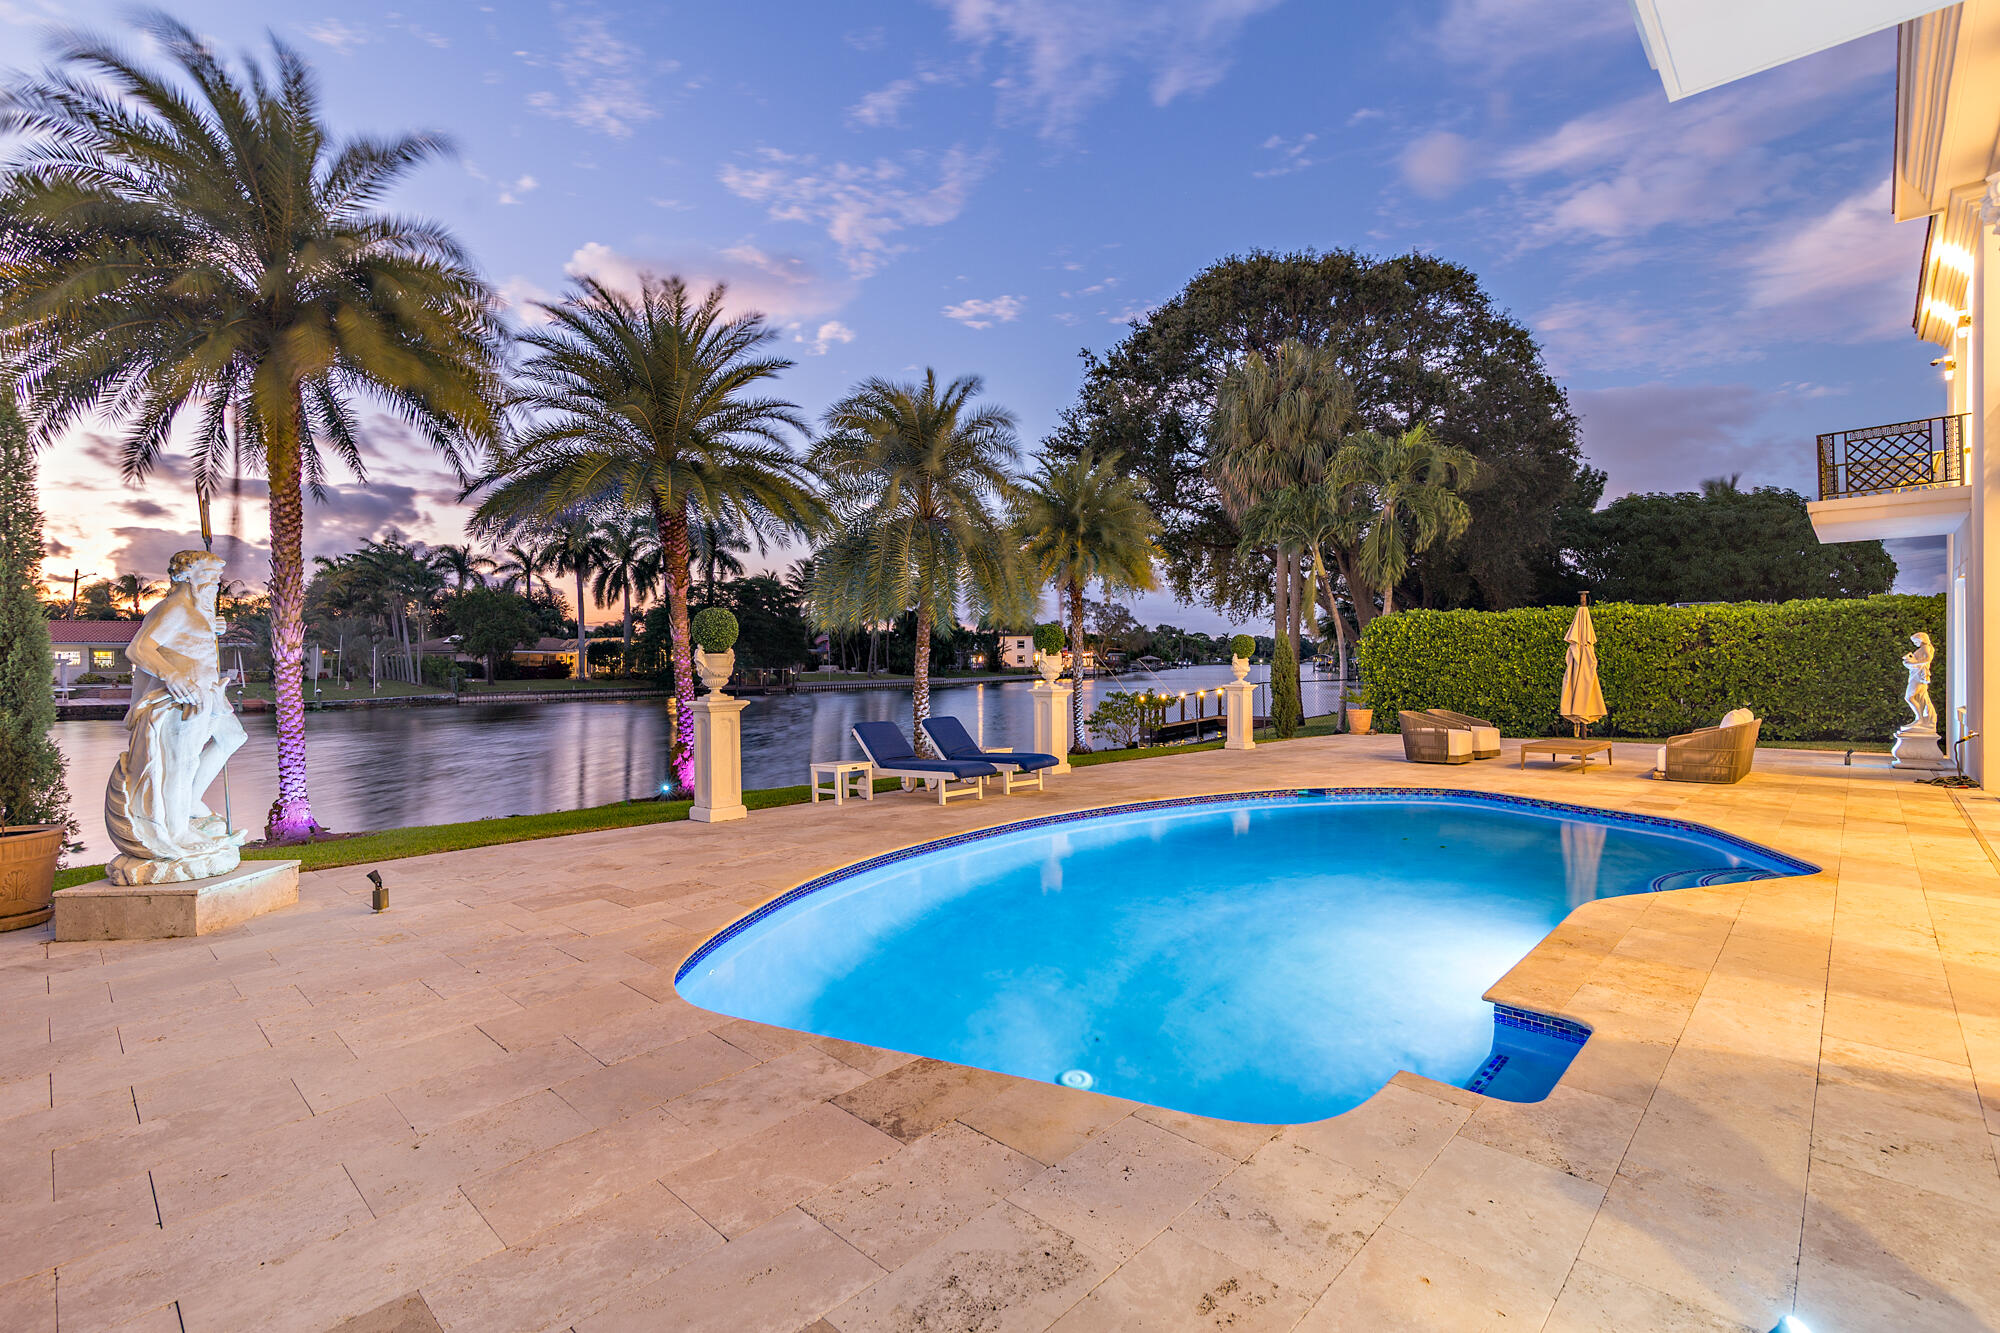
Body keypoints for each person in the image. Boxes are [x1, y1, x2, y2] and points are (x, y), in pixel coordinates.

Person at [104, 549, 249, 884]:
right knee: (181, 763)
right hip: (182, 696)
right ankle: (179, 829)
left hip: (208, 691)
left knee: (233, 738)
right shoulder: (174, 607)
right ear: (187, 577)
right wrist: (172, 676)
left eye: (216, 579)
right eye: (209, 578)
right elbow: (138, 649)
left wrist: (214, 627)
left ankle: (191, 801)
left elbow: (190, 640)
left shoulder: (196, 609)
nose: (215, 584)